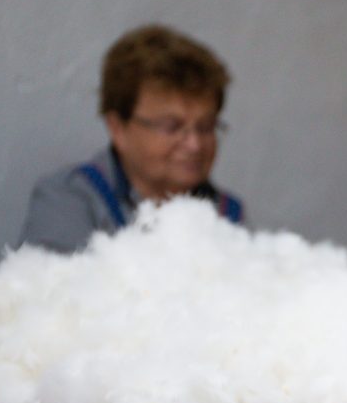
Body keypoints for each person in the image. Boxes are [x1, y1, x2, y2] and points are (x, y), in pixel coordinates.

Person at [17, 24, 244, 254]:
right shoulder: (68, 201)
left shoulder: (229, 215)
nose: (194, 144)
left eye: (206, 127)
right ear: (117, 128)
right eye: (171, 127)